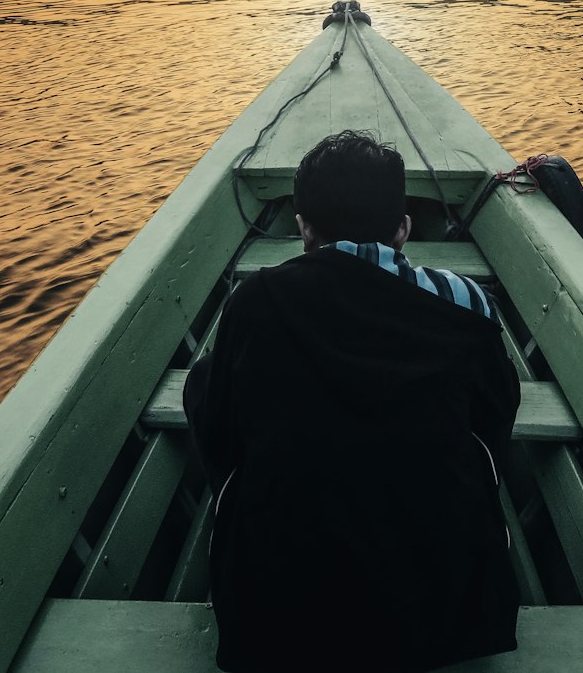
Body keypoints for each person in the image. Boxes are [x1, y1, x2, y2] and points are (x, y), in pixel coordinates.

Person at [184, 130, 521, 673]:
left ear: (303, 230)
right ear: (404, 230)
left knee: (204, 384)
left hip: (275, 623)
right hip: (451, 620)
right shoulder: (467, 303)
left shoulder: (253, 305)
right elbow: (496, 421)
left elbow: (222, 433)